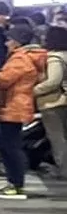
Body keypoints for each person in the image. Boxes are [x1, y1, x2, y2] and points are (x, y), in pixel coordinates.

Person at [0, 19, 46, 200]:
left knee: (7, 147)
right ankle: (14, 182)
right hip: (17, 106)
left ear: (17, 40)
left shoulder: (20, 57)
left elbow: (3, 80)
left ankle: (15, 183)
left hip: (13, 106)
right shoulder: (29, 56)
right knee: (8, 146)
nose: (6, 42)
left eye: (9, 39)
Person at [36, 25, 67, 179]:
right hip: (63, 101)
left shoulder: (55, 58)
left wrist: (34, 90)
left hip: (53, 103)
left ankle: (63, 170)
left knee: (57, 139)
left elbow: (53, 81)